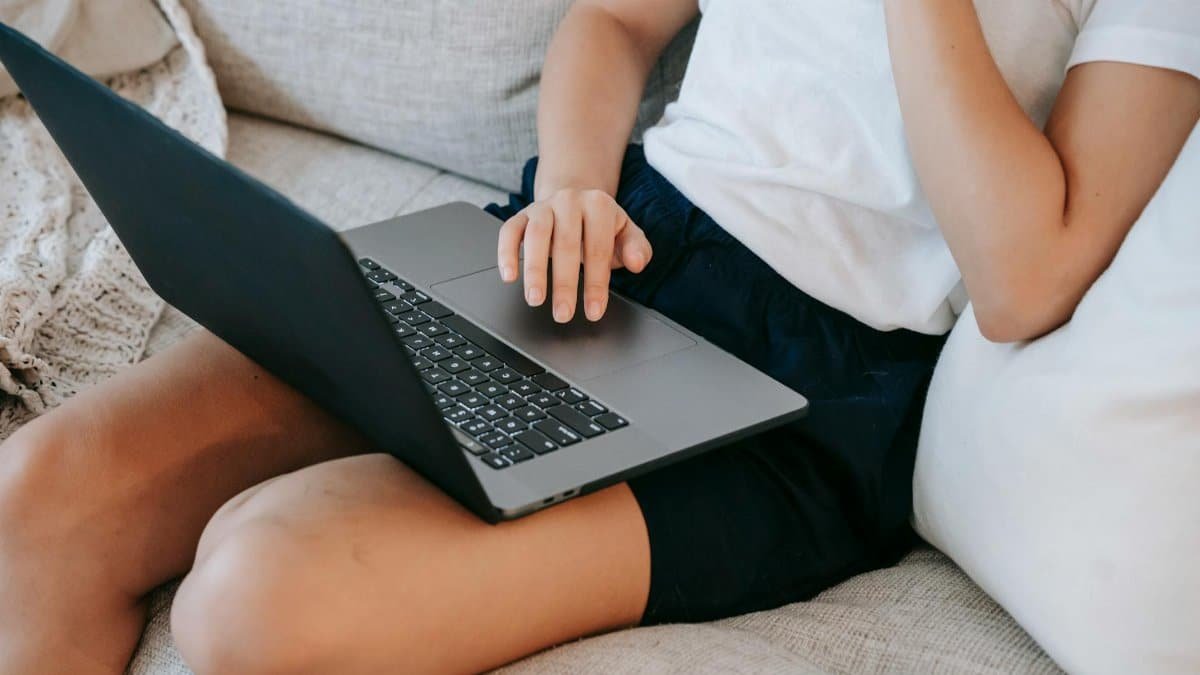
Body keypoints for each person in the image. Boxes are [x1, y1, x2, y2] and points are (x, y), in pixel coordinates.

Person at [2, 1, 1197, 672]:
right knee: (41, 492)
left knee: (258, 597)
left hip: (812, 388)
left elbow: (1024, 278)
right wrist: (573, 187)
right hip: (608, 243)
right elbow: (616, 23)